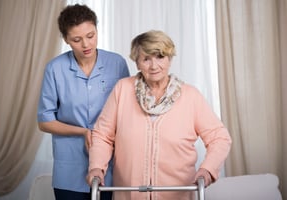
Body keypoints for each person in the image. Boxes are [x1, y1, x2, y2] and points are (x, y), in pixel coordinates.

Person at [86, 30, 232, 200]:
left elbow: (219, 138)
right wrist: (96, 167)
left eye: (160, 57)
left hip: (178, 194)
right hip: (130, 194)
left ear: (169, 59)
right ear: (137, 63)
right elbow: (103, 135)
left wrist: (207, 169)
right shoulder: (123, 89)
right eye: (146, 59)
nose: (154, 66)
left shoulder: (190, 96)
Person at [37, 4, 130, 200]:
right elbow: (44, 121)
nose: (86, 45)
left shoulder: (117, 64)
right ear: (66, 40)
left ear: (97, 30)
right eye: (77, 40)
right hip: (69, 169)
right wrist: (83, 131)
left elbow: (127, 113)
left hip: (109, 166)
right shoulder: (55, 69)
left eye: (91, 35)